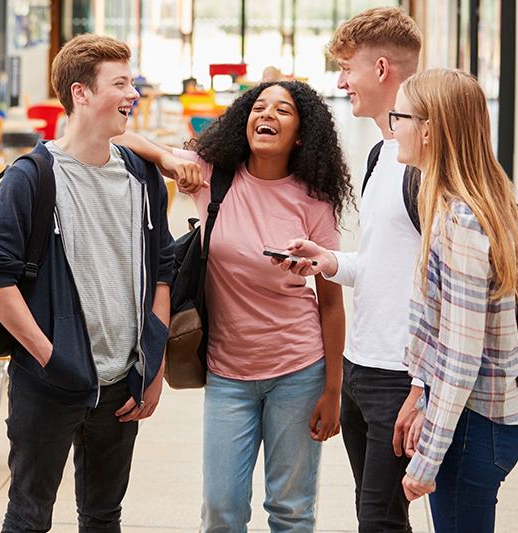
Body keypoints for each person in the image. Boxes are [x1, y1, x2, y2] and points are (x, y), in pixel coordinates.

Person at [117, 79, 352, 532]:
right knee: (222, 510)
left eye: (283, 110)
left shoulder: (314, 201)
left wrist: (333, 390)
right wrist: (169, 159)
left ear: (301, 134)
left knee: (291, 511)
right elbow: (118, 136)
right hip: (227, 373)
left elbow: (331, 305)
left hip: (299, 370)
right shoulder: (212, 175)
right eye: (259, 107)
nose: (267, 115)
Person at [0, 33, 175, 532]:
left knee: (104, 516)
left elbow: (163, 269)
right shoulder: (32, 177)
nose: (133, 93)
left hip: (123, 384)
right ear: (80, 94)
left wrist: (153, 363)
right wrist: (52, 360)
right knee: (28, 517)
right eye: (121, 83)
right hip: (49, 384)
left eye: (132, 81)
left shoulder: (141, 174)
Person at [275, 8, 424, 532]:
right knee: (378, 517)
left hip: (401, 372)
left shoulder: (425, 163)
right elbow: (387, 265)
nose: (341, 81)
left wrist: (423, 388)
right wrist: (329, 261)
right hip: (363, 365)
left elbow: (451, 281)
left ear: (381, 68)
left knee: (379, 522)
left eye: (346, 67)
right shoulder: (385, 152)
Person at [396, 68, 518, 533]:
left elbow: (462, 354)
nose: (394, 127)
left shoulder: (461, 222)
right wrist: (422, 397)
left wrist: (427, 459)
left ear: (428, 130)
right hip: (476, 421)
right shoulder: (480, 201)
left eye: (400, 116)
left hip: (474, 428)